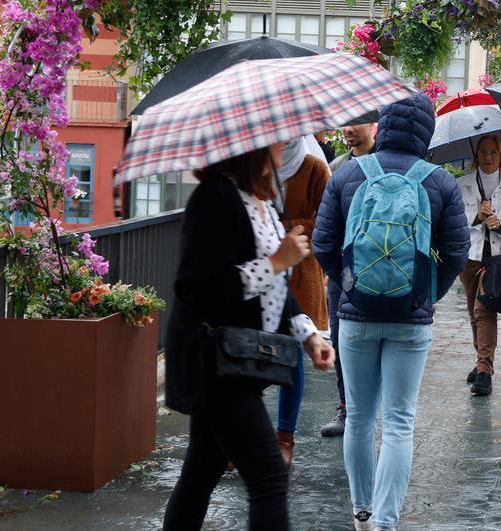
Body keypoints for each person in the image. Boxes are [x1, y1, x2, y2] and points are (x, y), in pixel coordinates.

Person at [313, 94, 470, 531]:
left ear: (382, 126)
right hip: (411, 319)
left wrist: (348, 284)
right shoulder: (439, 182)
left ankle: (361, 513)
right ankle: (385, 521)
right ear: (426, 133)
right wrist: (427, 294)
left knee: (360, 418)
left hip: (355, 315)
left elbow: (323, 245)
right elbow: (457, 250)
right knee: (400, 421)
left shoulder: (347, 174)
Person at [162, 143, 335, 531]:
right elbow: (199, 288)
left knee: (201, 473)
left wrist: (308, 335)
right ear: (249, 143)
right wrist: (277, 261)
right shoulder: (214, 198)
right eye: (277, 134)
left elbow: (276, 287)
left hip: (238, 361)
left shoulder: (261, 201)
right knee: (270, 476)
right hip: (216, 364)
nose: (288, 140)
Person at [272, 137, 331, 467]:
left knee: (293, 355)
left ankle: (285, 435)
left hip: (301, 270)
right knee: (257, 350)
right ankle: (240, 436)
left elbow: (326, 220)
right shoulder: (258, 167)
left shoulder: (313, 167)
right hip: (267, 266)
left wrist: (284, 227)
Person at [319, 121, 379, 438]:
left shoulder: (387, 165)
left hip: (382, 269)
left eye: (358, 122)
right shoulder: (337, 168)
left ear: (375, 126)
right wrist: (334, 270)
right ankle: (346, 406)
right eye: (346, 122)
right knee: (342, 338)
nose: (349, 129)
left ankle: (369, 406)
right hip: (343, 271)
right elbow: (325, 227)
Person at [456, 133, 501, 397]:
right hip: (470, 258)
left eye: (493, 153)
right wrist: (476, 216)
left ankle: (485, 371)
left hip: (499, 259)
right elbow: (454, 224)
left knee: (483, 309)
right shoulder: (462, 185)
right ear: (476, 155)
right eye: (483, 153)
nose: (488, 158)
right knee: (474, 311)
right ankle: (480, 361)